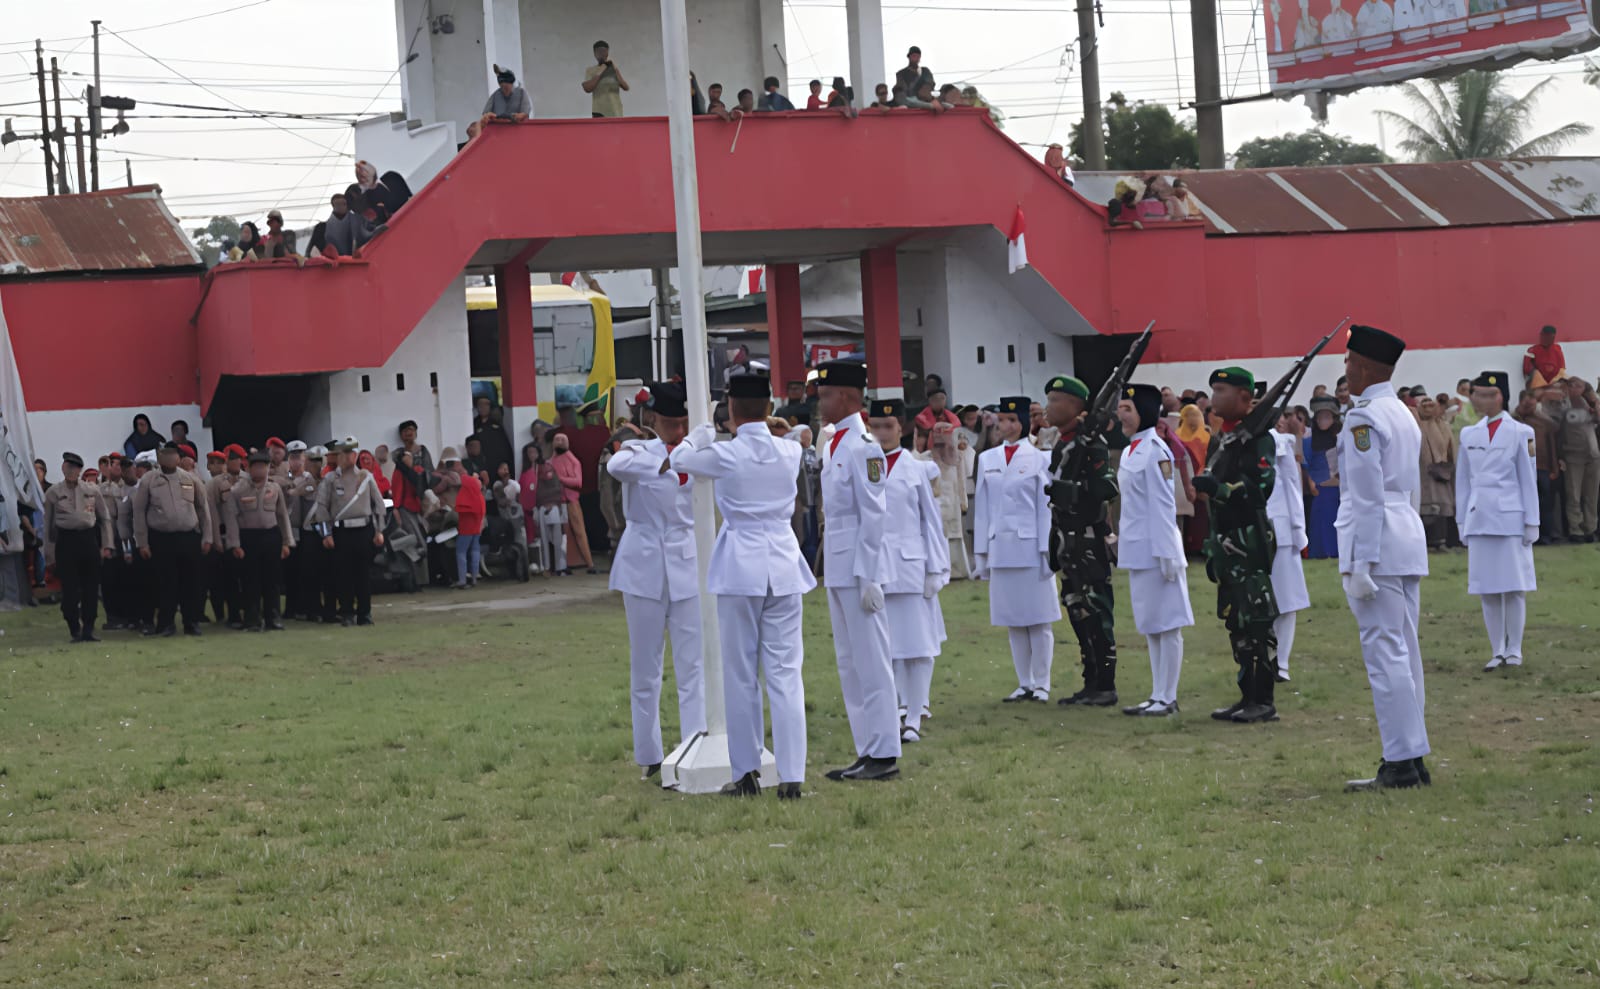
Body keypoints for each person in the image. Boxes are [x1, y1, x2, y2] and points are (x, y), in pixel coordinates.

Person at [670, 374, 814, 799]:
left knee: (740, 673)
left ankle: (747, 771)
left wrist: (698, 436)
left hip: (741, 566)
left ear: (731, 408)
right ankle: (791, 776)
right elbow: (802, 438)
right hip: (784, 563)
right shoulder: (789, 450)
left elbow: (679, 460)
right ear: (769, 407)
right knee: (787, 673)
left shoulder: (726, 454)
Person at [1338, 325, 1432, 792]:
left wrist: (1361, 562)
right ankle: (1412, 755)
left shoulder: (1364, 417)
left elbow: (1368, 497)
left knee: (1386, 654)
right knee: (1405, 651)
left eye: (1350, 361)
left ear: (1367, 366)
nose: (1346, 369)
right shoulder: (1400, 412)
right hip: (1405, 537)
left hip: (1377, 542)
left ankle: (1400, 762)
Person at [606, 382, 707, 779]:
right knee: (646, 667)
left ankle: (693, 747)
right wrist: (671, 457)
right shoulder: (637, 452)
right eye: (669, 423)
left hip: (685, 563)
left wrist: (690, 449)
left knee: (692, 666)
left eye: (683, 423)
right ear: (652, 421)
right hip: (643, 564)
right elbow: (617, 467)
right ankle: (649, 755)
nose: (677, 431)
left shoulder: (696, 451)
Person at [815, 360, 901, 782]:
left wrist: (869, 575)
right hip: (838, 563)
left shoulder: (863, 446)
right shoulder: (834, 443)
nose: (819, 401)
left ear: (847, 396)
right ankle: (866, 749)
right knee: (850, 663)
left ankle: (884, 751)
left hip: (858, 566)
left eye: (826, 394)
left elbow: (874, 514)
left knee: (872, 660)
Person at [1192, 368, 1282, 724]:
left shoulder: (1259, 438)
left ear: (1246, 398)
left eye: (1223, 390)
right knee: (1236, 623)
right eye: (1213, 388)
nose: (1214, 396)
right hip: (1224, 539)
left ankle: (1264, 699)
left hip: (1248, 540)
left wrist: (1221, 490)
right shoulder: (1221, 438)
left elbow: (1261, 488)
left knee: (1256, 620)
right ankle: (1247, 695)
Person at [868, 399, 949, 743]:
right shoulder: (867, 465)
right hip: (878, 567)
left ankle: (915, 714)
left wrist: (937, 568)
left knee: (919, 645)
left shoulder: (916, 468)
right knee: (890, 647)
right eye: (876, 427)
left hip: (912, 565)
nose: (882, 433)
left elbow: (930, 522)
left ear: (901, 429)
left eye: (888, 427)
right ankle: (899, 707)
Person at [973, 394, 1061, 704]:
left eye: (1012, 420)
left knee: (1038, 619)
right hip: (1002, 547)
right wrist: (981, 553)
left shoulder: (1040, 458)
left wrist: (1046, 550)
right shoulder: (988, 458)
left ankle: (1042, 683)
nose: (1005, 426)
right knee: (1013, 619)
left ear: (1024, 422)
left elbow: (1044, 509)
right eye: (1001, 420)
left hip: (1030, 546)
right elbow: (983, 509)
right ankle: (1023, 682)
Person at [1042, 375, 1121, 707]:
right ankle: (1091, 681)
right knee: (1077, 611)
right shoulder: (1065, 442)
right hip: (1068, 540)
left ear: (1075, 406)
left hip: (1087, 542)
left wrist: (1075, 492)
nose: (1048, 406)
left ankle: (1105, 684)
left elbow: (1108, 487)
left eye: (1055, 400)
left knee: (1096, 613)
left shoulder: (1092, 444)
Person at [1116, 384, 1193, 717]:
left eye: (1128, 409)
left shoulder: (1157, 450)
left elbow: (1164, 505)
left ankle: (1169, 696)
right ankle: (1156, 693)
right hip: (1137, 548)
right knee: (1150, 624)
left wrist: (1168, 553)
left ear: (1144, 413)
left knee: (1168, 623)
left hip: (1158, 547)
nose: (1122, 415)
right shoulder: (1129, 450)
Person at [1456, 371, 1539, 672]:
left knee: (1513, 587)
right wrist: (1461, 521)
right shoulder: (1469, 434)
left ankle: (1514, 649)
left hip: (1510, 516)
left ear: (1497, 397)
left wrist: (1532, 521)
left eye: (1480, 394)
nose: (1475, 399)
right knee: (1487, 587)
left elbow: (1527, 480)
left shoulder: (1521, 432)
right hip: (1479, 517)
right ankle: (1497, 650)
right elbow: (1463, 481)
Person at [133, 442, 213, 637]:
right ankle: (166, 624)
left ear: (179, 457)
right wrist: (142, 542)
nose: (169, 458)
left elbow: (203, 509)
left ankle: (191, 622)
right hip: (161, 539)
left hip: (188, 537)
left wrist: (207, 536)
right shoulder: (148, 480)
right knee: (165, 583)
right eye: (164, 454)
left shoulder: (191, 479)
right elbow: (139, 512)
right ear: (159, 457)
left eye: (172, 454)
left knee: (191, 582)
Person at [311, 438, 386, 627]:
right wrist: (326, 534)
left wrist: (379, 530)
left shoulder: (365, 477)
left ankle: (365, 613)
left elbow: (378, 504)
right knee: (343, 575)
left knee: (363, 574)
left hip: (363, 529)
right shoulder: (330, 479)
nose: (348, 458)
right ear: (338, 456)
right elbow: (322, 507)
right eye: (344, 454)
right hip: (341, 531)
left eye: (352, 454)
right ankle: (346, 612)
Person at [43, 452, 114, 642]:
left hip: (88, 540)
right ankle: (74, 626)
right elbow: (48, 525)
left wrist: (107, 544)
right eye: (68, 467)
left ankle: (89, 628)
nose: (71, 471)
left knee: (91, 587)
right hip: (66, 542)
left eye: (75, 468)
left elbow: (104, 518)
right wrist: (49, 555)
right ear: (63, 469)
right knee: (70, 589)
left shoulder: (92, 490)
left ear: (80, 469)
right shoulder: (54, 493)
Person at [223, 450, 293, 632]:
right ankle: (252, 619)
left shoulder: (274, 488)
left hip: (271, 536)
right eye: (257, 467)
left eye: (264, 466)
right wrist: (235, 544)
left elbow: (282, 515)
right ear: (249, 468)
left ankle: (273, 618)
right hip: (249, 538)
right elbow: (231, 518)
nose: (261, 470)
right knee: (250, 581)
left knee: (272, 580)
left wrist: (286, 542)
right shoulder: (237, 490)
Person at [1267, 406, 1310, 683]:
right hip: (1271, 528)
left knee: (1286, 601)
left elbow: (1292, 489)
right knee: (1276, 601)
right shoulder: (1273, 443)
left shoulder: (1281, 443)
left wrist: (1297, 529)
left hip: (1281, 529)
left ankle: (1279, 662)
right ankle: (1273, 660)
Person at [1514, 389, 1562, 543]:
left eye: (1533, 405)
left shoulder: (1543, 422)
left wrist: (1554, 467)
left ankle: (1545, 535)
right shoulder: (1512, 420)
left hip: (1542, 467)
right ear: (1521, 402)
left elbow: (1551, 445)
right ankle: (1522, 534)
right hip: (1520, 468)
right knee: (1523, 502)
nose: (1530, 408)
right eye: (1527, 404)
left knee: (1545, 502)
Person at [207, 445, 248, 627]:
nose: (234, 462)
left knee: (247, 577)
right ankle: (232, 616)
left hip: (246, 534)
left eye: (237, 459)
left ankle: (250, 611)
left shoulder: (248, 480)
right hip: (225, 536)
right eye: (230, 459)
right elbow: (212, 513)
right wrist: (215, 538)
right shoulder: (216, 483)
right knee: (228, 579)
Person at [1556, 376, 1600, 542]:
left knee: (1591, 495)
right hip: (1573, 455)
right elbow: (1556, 431)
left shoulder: (1589, 404)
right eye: (1575, 386)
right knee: (1574, 494)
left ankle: (1590, 528)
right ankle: (1576, 529)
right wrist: (1560, 456)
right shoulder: (1563, 403)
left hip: (1593, 455)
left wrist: (1595, 404)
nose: (1578, 389)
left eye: (1581, 386)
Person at [1416, 395, 1457, 550]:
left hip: (1441, 473)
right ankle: (1427, 543)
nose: (1427, 407)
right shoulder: (1415, 424)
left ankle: (1440, 541)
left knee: (1441, 506)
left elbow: (1451, 448)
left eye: (1430, 404)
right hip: (1421, 473)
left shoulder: (1442, 425)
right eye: (1423, 405)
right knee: (1425, 506)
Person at [549, 431, 593, 573]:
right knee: (563, 535)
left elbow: (578, 482)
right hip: (557, 503)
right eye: (557, 439)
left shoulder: (573, 461)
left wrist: (560, 479)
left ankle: (589, 563)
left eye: (562, 439)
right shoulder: (550, 462)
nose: (560, 442)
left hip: (571, 502)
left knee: (580, 532)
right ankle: (566, 564)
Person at [1304, 395, 1342, 557]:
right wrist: (1311, 483)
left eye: (1327, 417)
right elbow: (1306, 464)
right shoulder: (1309, 440)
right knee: (1321, 523)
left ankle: (1337, 551)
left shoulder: (1340, 438)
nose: (1323, 421)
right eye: (1320, 417)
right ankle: (1321, 552)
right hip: (1320, 488)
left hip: (1338, 487)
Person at [453, 454, 486, 588]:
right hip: (477, 519)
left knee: (461, 551)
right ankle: (474, 577)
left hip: (466, 520)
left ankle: (462, 580)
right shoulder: (476, 484)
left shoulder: (465, 480)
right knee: (475, 549)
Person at [583, 40, 629, 118]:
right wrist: (601, 70)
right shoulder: (590, 70)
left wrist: (614, 69)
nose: (602, 54)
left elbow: (625, 87)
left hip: (616, 111)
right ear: (594, 53)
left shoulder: (613, 70)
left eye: (604, 51)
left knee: (616, 130)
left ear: (607, 52)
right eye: (599, 51)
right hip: (599, 111)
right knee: (599, 130)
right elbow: (587, 88)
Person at [472, 397, 515, 476]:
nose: (483, 407)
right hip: (480, 465)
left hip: (496, 465)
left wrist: (504, 462)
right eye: (480, 405)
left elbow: (504, 447)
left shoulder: (496, 425)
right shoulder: (473, 424)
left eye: (486, 405)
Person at [1523, 324, 1566, 390]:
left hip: (1555, 383)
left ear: (1553, 337)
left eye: (1548, 336)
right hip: (1539, 385)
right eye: (1543, 336)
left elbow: (1562, 369)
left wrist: (1555, 382)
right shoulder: (1532, 350)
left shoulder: (1558, 349)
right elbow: (1527, 369)